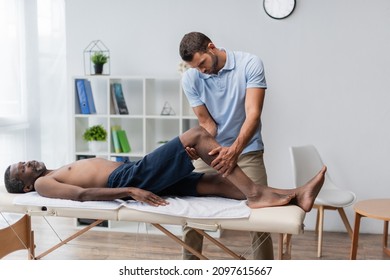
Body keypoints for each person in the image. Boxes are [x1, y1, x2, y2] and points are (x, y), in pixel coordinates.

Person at [4, 126, 326, 214]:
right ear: (26, 187)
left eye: (26, 160)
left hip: (134, 173)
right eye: (24, 169)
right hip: (129, 179)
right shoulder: (45, 185)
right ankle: (256, 194)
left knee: (213, 181)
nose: (30, 162)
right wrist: (130, 191)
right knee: (198, 135)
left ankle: (295, 196)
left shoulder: (53, 168)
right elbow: (83, 194)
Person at [179, 32, 274, 259]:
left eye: (202, 63)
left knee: (261, 214)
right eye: (195, 67)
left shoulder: (249, 64)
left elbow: (253, 114)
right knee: (192, 215)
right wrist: (198, 147)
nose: (201, 70)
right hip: (212, 152)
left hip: (247, 150)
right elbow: (207, 123)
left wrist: (234, 151)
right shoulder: (191, 78)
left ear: (211, 47)